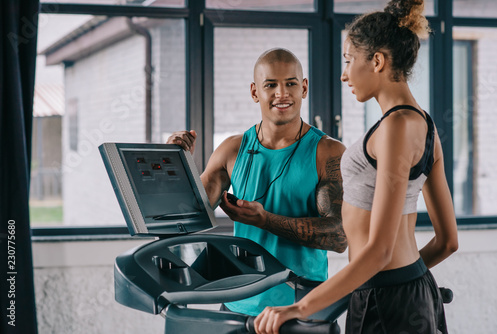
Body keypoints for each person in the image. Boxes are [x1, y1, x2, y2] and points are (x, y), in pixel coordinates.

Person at [253, 1, 459, 333]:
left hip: (385, 298)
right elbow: (448, 241)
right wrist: (406, 280)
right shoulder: (426, 126)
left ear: (377, 61)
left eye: (349, 60)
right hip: (402, 288)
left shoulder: (396, 127)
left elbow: (379, 251)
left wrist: (298, 307)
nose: (344, 73)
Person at [167, 48, 347, 316]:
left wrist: (266, 221)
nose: (282, 94)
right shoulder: (232, 149)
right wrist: (174, 164)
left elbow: (339, 236)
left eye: (291, 84)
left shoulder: (327, 153)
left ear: (304, 88)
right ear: (255, 92)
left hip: (301, 307)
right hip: (239, 302)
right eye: (271, 85)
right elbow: (184, 217)